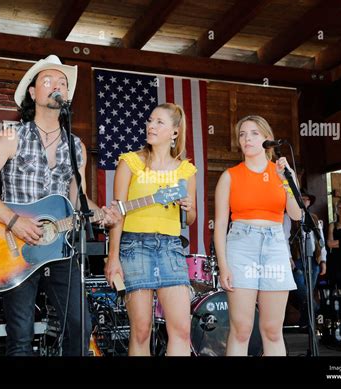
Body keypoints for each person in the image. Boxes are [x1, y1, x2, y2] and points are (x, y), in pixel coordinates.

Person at [0, 54, 120, 356]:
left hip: (59, 248)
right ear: (33, 93)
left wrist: (101, 214)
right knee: (20, 337)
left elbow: (78, 200)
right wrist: (14, 221)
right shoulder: (12, 137)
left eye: (62, 82)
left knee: (80, 325)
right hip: (15, 249)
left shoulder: (76, 146)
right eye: (47, 81)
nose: (56, 85)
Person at [104, 103, 197, 356]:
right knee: (141, 330)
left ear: (174, 132)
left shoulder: (186, 170)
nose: (151, 126)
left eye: (159, 122)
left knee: (181, 329)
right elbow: (116, 215)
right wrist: (113, 258)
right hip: (134, 246)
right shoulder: (130, 162)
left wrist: (188, 208)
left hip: (170, 246)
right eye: (150, 120)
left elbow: (190, 219)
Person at [214, 115, 301, 356]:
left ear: (267, 140)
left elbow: (295, 215)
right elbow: (220, 225)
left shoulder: (281, 172)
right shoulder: (229, 176)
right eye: (242, 134)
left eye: (253, 133)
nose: (246, 138)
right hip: (241, 245)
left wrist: (287, 180)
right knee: (241, 329)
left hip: (274, 245)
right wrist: (224, 266)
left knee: (272, 330)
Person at [290, 190, 327, 328]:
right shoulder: (290, 217)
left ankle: (306, 324)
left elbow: (320, 240)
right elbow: (285, 238)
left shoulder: (314, 218)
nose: (304, 201)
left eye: (306, 199)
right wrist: (289, 257)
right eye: (302, 199)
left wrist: (323, 260)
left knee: (308, 291)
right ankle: (317, 308)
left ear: (309, 202)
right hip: (297, 259)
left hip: (313, 260)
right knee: (301, 290)